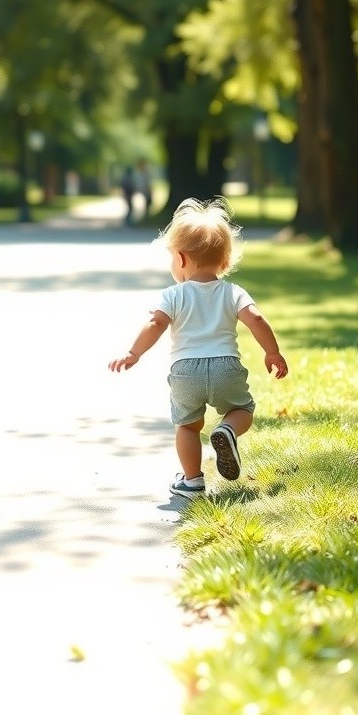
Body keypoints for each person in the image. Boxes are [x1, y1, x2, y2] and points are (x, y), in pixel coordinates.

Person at [108, 197, 288, 499]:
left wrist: (133, 353)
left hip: (186, 372)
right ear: (225, 261)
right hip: (225, 368)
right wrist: (272, 351)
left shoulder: (173, 295)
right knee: (242, 409)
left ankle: (192, 481)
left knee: (188, 427)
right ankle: (228, 430)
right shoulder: (232, 292)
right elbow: (255, 319)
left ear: (179, 258)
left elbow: (156, 325)